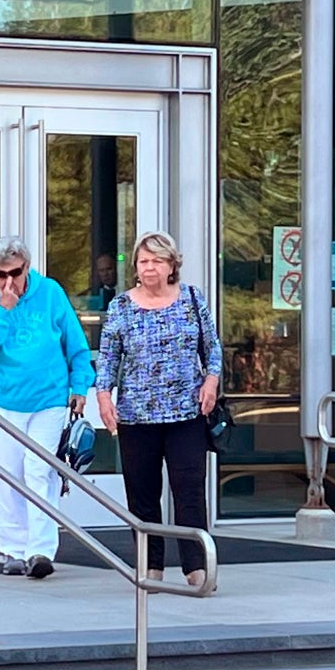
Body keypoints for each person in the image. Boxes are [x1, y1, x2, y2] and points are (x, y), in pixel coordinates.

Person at [92, 230, 222, 590]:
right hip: (136, 415)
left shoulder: (192, 299)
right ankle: (150, 567)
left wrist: (211, 381)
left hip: (186, 413)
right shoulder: (121, 306)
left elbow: (212, 349)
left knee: (189, 489)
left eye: (157, 261)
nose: (149, 268)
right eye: (143, 261)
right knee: (142, 493)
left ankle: (197, 567)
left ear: (171, 265)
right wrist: (103, 396)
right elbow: (108, 358)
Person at [0, 235, 92, 581]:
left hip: (47, 399)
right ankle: (13, 550)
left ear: (27, 267)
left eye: (14, 273)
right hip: (0, 401)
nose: (8, 281)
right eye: (0, 274)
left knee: (40, 471)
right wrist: (3, 310)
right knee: (6, 475)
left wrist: (80, 385)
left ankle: (40, 550)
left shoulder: (50, 293)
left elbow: (75, 343)